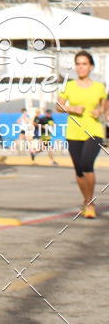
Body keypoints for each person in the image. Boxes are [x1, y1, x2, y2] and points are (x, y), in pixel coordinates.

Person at [56, 50, 108, 218]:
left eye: (84, 64)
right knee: (79, 169)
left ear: (91, 66)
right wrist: (72, 108)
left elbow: (104, 107)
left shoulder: (100, 87)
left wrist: (99, 111)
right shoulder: (69, 86)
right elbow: (58, 106)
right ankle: (87, 200)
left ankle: (89, 203)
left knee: (86, 163)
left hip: (93, 130)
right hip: (74, 131)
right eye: (78, 64)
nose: (81, 67)